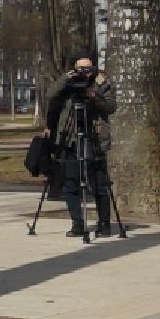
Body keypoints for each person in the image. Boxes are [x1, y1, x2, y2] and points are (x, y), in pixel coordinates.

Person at [44, 53, 114, 238]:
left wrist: (94, 96)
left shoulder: (101, 82)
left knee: (99, 183)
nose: (84, 73)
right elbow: (50, 94)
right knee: (70, 183)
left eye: (88, 69)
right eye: (80, 69)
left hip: (94, 138)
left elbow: (111, 107)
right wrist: (66, 78)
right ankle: (77, 223)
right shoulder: (68, 84)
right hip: (70, 140)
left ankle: (104, 223)